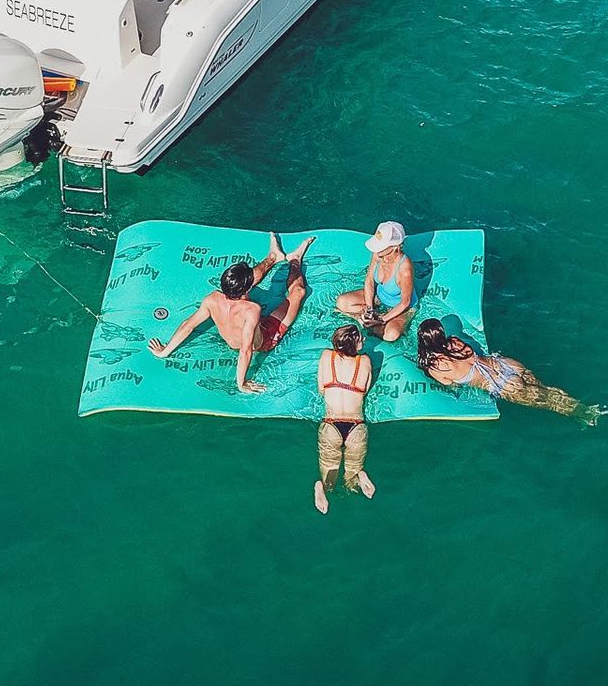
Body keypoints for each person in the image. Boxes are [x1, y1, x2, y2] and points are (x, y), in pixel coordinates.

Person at [147, 234, 313, 393]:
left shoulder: (212, 299)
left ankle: (273, 257)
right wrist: (242, 383)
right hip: (265, 339)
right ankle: (294, 260)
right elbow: (246, 349)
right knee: (298, 292)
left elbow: (187, 325)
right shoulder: (251, 310)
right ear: (247, 289)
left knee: (241, 279)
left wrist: (165, 351)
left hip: (239, 326)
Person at [414, 319, 608, 424]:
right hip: (505, 364)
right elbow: (470, 353)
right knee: (545, 390)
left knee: (547, 402)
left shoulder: (437, 367)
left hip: (501, 385)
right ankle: (583, 407)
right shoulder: (454, 341)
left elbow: (450, 383)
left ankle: (584, 414)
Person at [314, 324, 375, 513]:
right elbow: (364, 389)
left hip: (330, 424)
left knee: (329, 479)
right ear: (354, 345)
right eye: (360, 339)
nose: (364, 340)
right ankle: (360, 476)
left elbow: (321, 390)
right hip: (356, 426)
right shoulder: (365, 361)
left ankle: (320, 488)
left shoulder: (326, 356)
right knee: (351, 481)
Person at [336, 220, 415, 342]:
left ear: (395, 247)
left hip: (400, 307)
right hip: (380, 297)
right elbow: (369, 280)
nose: (376, 249)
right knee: (342, 302)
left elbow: (405, 302)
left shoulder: (405, 269)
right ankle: (370, 322)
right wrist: (369, 309)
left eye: (380, 246)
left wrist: (382, 319)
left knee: (390, 335)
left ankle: (367, 322)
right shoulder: (378, 254)